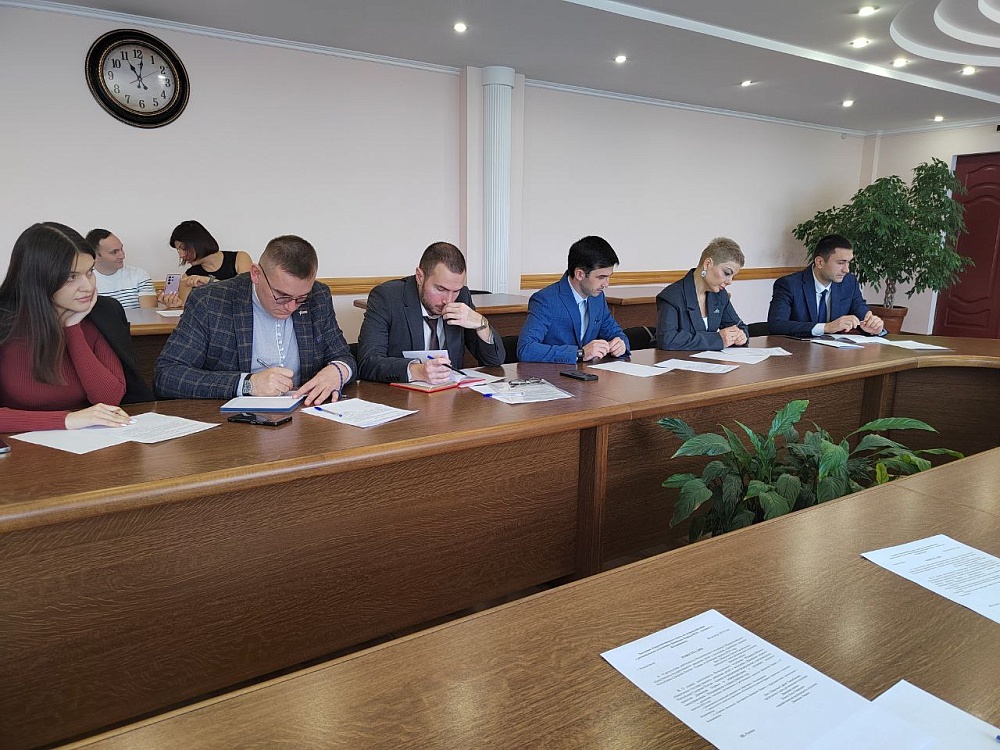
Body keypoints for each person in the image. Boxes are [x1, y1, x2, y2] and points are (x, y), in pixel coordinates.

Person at [154, 234, 355, 403]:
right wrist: (248, 384)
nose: (291, 306)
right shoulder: (210, 301)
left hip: (306, 417)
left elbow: (345, 357)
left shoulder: (318, 296)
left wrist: (337, 372)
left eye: (301, 298)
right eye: (281, 296)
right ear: (256, 274)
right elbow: (167, 375)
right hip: (233, 425)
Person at [0, 222, 154, 432]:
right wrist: (67, 420)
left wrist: (72, 328)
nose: (88, 287)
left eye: (89, 272)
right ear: (37, 279)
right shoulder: (5, 321)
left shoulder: (102, 313)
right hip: (19, 445)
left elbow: (109, 399)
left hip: (88, 442)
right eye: (71, 277)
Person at [358, 242, 505, 383]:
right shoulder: (387, 298)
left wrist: (482, 324)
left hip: (450, 395)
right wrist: (417, 371)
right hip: (400, 396)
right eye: (440, 289)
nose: (448, 300)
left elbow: (494, 361)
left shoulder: (462, 298)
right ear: (420, 277)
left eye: (455, 291)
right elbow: (368, 363)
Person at [517, 235, 629, 363]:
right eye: (601, 277)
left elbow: (616, 333)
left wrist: (621, 344)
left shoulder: (597, 298)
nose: (606, 284)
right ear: (579, 274)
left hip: (588, 373)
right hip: (553, 374)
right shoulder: (545, 300)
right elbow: (525, 349)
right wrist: (579, 353)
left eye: (609, 277)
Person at [768, 234, 884, 337]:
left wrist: (874, 327)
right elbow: (776, 325)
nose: (846, 270)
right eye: (840, 263)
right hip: (799, 352)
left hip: (835, 352)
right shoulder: (789, 285)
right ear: (819, 262)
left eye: (848, 262)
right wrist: (826, 327)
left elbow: (862, 313)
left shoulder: (849, 283)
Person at [656, 237, 748, 350]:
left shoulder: (720, 295)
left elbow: (739, 326)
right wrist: (717, 339)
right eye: (727, 273)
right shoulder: (672, 296)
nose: (730, 281)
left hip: (708, 360)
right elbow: (667, 339)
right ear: (708, 264)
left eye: (733, 276)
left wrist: (741, 336)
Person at [162, 220, 253, 307]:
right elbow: (186, 310)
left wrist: (210, 281)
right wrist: (176, 305)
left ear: (198, 243)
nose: (181, 255)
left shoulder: (240, 258)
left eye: (184, 248)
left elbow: (245, 293)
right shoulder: (188, 277)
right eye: (178, 250)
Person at [85, 228, 157, 310]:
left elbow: (148, 314)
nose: (122, 255)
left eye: (121, 249)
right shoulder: (85, 282)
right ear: (95, 256)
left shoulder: (139, 276)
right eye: (114, 252)